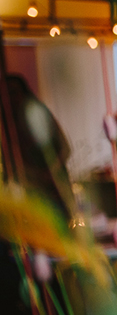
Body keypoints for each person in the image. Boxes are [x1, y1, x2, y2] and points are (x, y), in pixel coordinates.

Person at [3, 75, 72, 215]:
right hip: (30, 191)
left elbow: (65, 147)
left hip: (56, 186)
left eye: (14, 92)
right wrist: (35, 175)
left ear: (24, 92)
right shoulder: (7, 127)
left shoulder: (39, 114)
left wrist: (52, 171)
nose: (11, 98)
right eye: (6, 94)